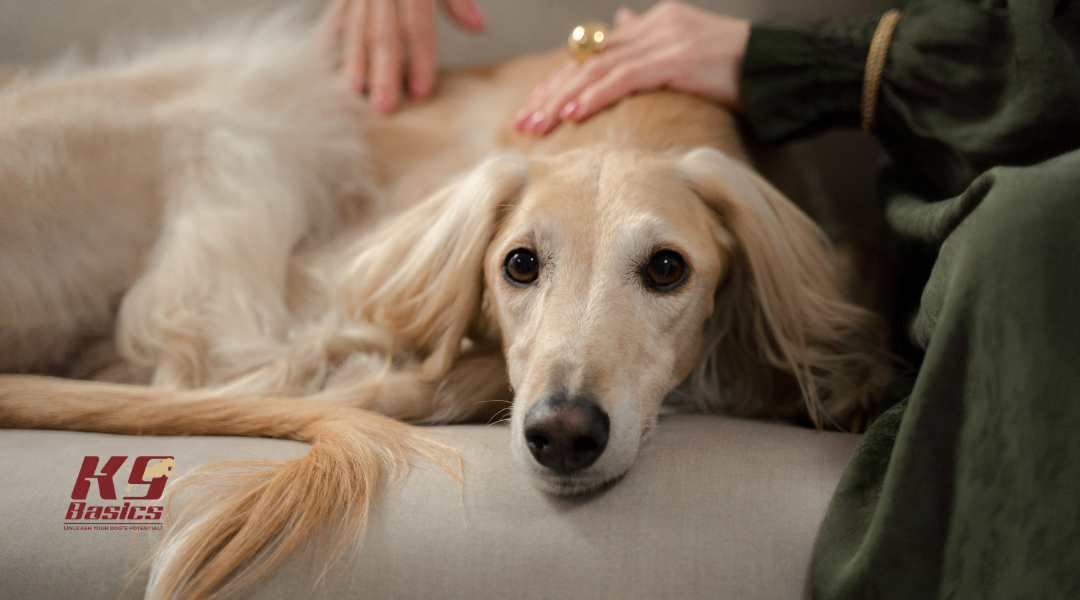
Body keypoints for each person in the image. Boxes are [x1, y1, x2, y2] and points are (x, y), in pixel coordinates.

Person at [325, 0, 1080, 597]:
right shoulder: (478, 198)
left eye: (661, 271)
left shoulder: (761, 253)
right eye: (524, 266)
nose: (562, 416)